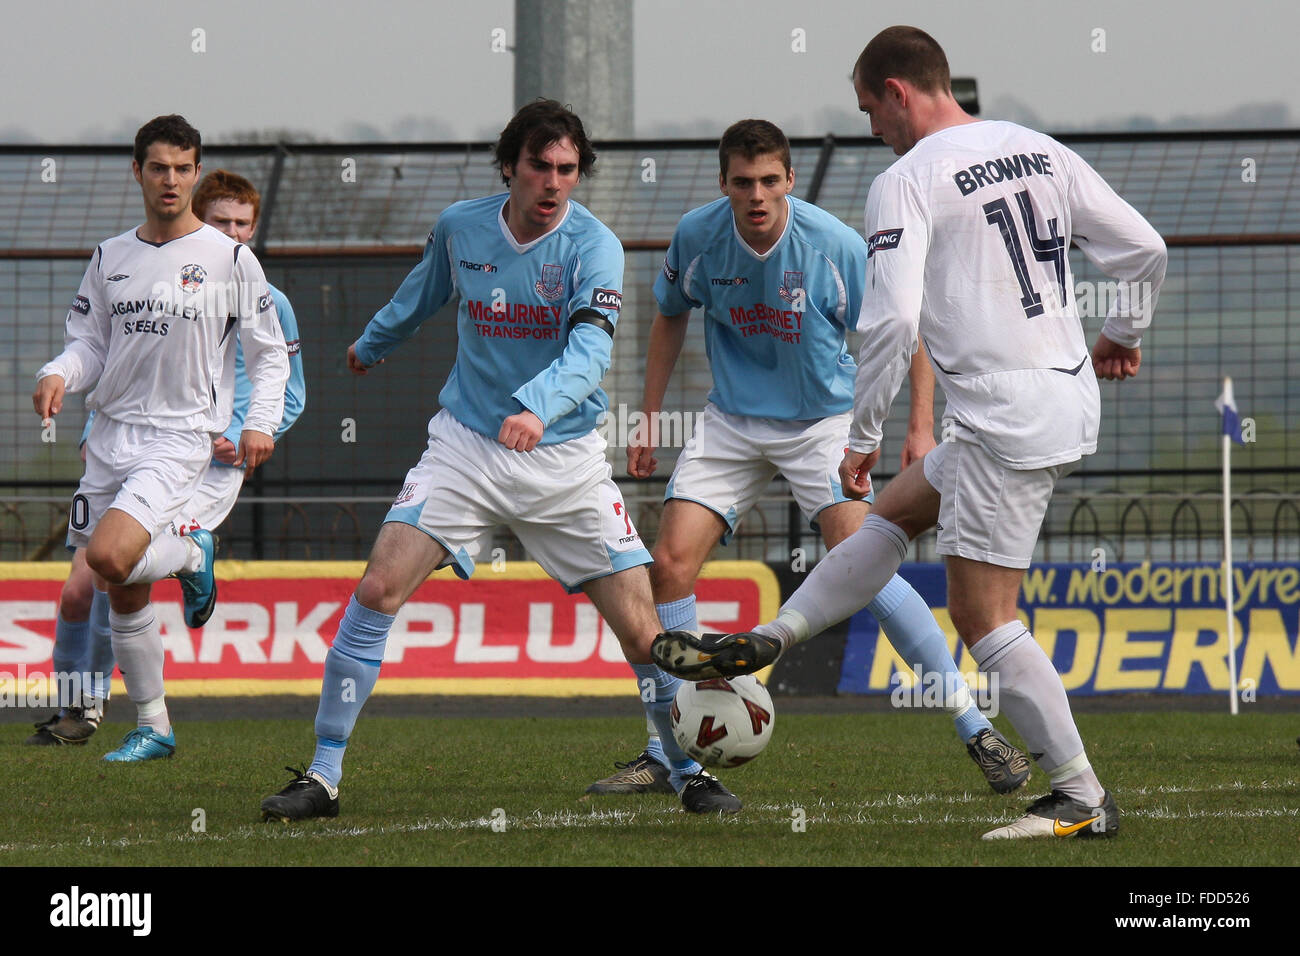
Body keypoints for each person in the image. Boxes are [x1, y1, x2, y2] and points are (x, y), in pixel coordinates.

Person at [652, 26, 1167, 840]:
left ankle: (1080, 797)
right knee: (890, 519)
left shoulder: (907, 177)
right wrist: (1124, 336)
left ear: (897, 91)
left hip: (1004, 416)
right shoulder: (1037, 148)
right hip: (1053, 399)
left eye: (867, 108)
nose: (869, 129)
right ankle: (769, 639)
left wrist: (861, 435)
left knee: (984, 616)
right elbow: (1144, 248)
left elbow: (890, 318)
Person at [259, 100, 740, 822]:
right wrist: (373, 342)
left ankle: (685, 768)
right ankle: (322, 777)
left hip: (566, 461)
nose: (553, 183)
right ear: (510, 166)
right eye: (540, 166)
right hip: (467, 448)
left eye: (568, 169)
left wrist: (538, 407)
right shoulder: (463, 228)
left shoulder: (594, 246)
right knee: (378, 587)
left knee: (645, 635)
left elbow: (589, 353)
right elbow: (422, 292)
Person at [587, 119, 1029, 798]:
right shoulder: (698, 237)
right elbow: (670, 312)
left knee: (866, 565)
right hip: (732, 423)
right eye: (743, 182)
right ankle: (671, 752)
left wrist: (919, 425)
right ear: (724, 184)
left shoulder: (834, 247)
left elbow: (902, 327)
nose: (757, 195)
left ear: (789, 180)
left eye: (769, 180)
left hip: (823, 423)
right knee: (669, 565)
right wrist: (648, 416)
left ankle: (975, 727)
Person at [32, 115, 290, 762]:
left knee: (109, 560)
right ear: (138, 172)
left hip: (177, 438)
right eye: (158, 168)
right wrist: (58, 372)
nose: (170, 180)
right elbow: (89, 345)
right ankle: (154, 725)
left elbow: (268, 356)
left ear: (195, 172)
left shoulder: (230, 257)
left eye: (182, 168)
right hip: (109, 434)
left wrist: (260, 421)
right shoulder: (110, 255)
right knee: (122, 588)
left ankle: (192, 555)